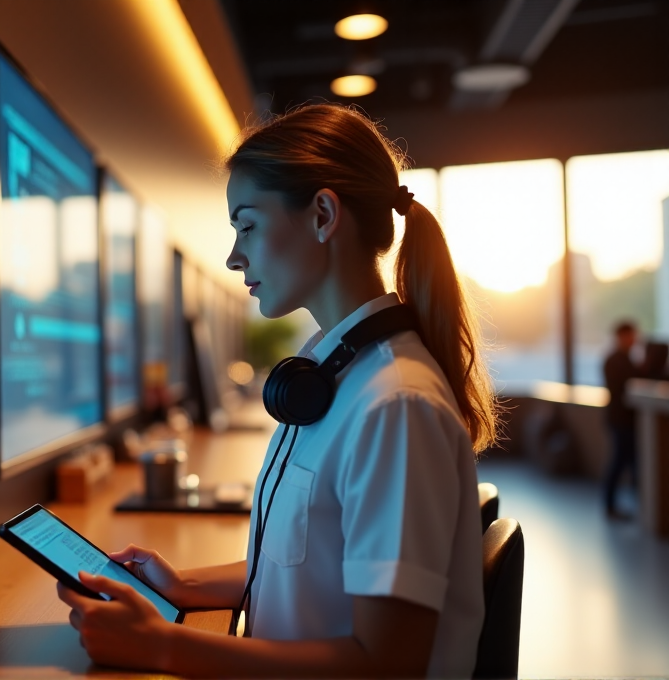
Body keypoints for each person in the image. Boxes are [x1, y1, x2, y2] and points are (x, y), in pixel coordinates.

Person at [56, 103, 498, 678]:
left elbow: (388, 662)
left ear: (322, 214)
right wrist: (182, 585)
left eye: (248, 226)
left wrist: (162, 647)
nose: (234, 255)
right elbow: (309, 564)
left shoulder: (395, 404)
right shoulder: (334, 374)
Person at [603, 320, 640, 519]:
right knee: (620, 461)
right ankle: (610, 505)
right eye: (632, 335)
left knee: (627, 461)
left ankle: (640, 506)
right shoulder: (616, 360)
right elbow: (622, 388)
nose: (635, 339)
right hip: (620, 420)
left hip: (621, 419)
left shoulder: (622, 358)